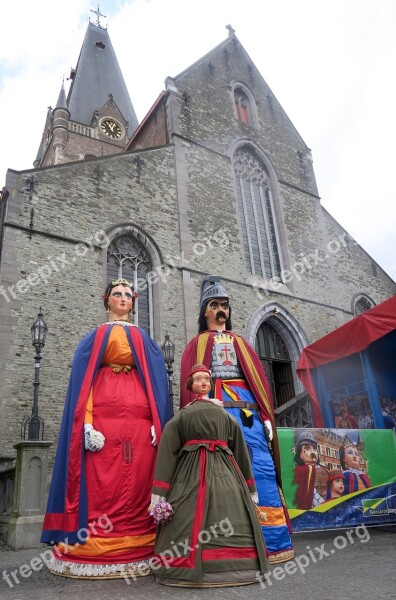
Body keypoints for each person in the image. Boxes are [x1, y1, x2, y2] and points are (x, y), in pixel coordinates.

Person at [41, 278, 172, 578]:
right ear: (107, 300)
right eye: (117, 294)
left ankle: (144, 539)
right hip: (102, 424)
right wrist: (86, 423)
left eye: (128, 294)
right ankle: (96, 541)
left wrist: (157, 421)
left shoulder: (145, 340)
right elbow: (82, 384)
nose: (123, 298)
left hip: (140, 430)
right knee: (102, 481)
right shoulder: (95, 338)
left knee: (139, 479)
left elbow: (157, 384)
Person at [180, 275, 293, 564]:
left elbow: (257, 380)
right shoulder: (197, 344)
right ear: (205, 310)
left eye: (225, 305)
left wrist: (266, 415)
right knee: (216, 471)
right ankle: (225, 545)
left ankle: (272, 540)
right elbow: (191, 383)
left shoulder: (242, 342)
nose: (221, 310)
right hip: (214, 410)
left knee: (261, 468)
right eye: (215, 304)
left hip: (247, 413)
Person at [150, 364, 269, 587]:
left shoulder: (224, 417)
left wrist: (250, 485)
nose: (203, 382)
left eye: (206, 379)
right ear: (191, 385)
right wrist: (160, 491)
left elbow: (240, 450)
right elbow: (168, 449)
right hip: (196, 471)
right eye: (198, 380)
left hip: (222, 470)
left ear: (210, 383)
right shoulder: (185, 416)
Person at [293, 431, 329, 509]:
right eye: (307, 448)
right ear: (300, 454)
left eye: (315, 448)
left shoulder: (326, 471)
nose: (313, 452)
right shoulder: (297, 472)